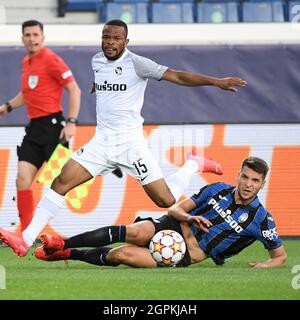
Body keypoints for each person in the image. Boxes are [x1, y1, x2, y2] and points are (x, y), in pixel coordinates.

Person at [0, 19, 247, 257]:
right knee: (61, 182)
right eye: (106, 37)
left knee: (166, 200)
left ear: (126, 41)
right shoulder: (97, 61)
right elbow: (109, 82)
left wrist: (217, 82)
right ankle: (25, 239)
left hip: (130, 145)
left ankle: (193, 163)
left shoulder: (139, 64)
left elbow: (178, 76)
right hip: (101, 142)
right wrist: (99, 87)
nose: (110, 42)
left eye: (116, 38)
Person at [35, 157, 287, 268]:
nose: (247, 184)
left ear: (261, 184)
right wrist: (189, 218)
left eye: (254, 180)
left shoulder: (262, 220)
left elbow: (280, 256)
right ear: (238, 175)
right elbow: (175, 208)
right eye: (245, 177)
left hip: (185, 254)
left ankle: (68, 254)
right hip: (173, 226)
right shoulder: (217, 190)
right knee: (134, 232)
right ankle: (60, 243)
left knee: (122, 255)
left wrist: (267, 264)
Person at [0, 20, 81, 232]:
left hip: (54, 128)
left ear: (42, 38)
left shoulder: (52, 60)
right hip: (34, 129)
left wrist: (71, 122)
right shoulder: (26, 62)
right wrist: (7, 107)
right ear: (22, 38)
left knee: (65, 182)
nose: (32, 39)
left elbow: (75, 90)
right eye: (28, 35)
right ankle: (26, 234)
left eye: (36, 35)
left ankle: (76, 229)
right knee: (22, 180)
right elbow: (27, 94)